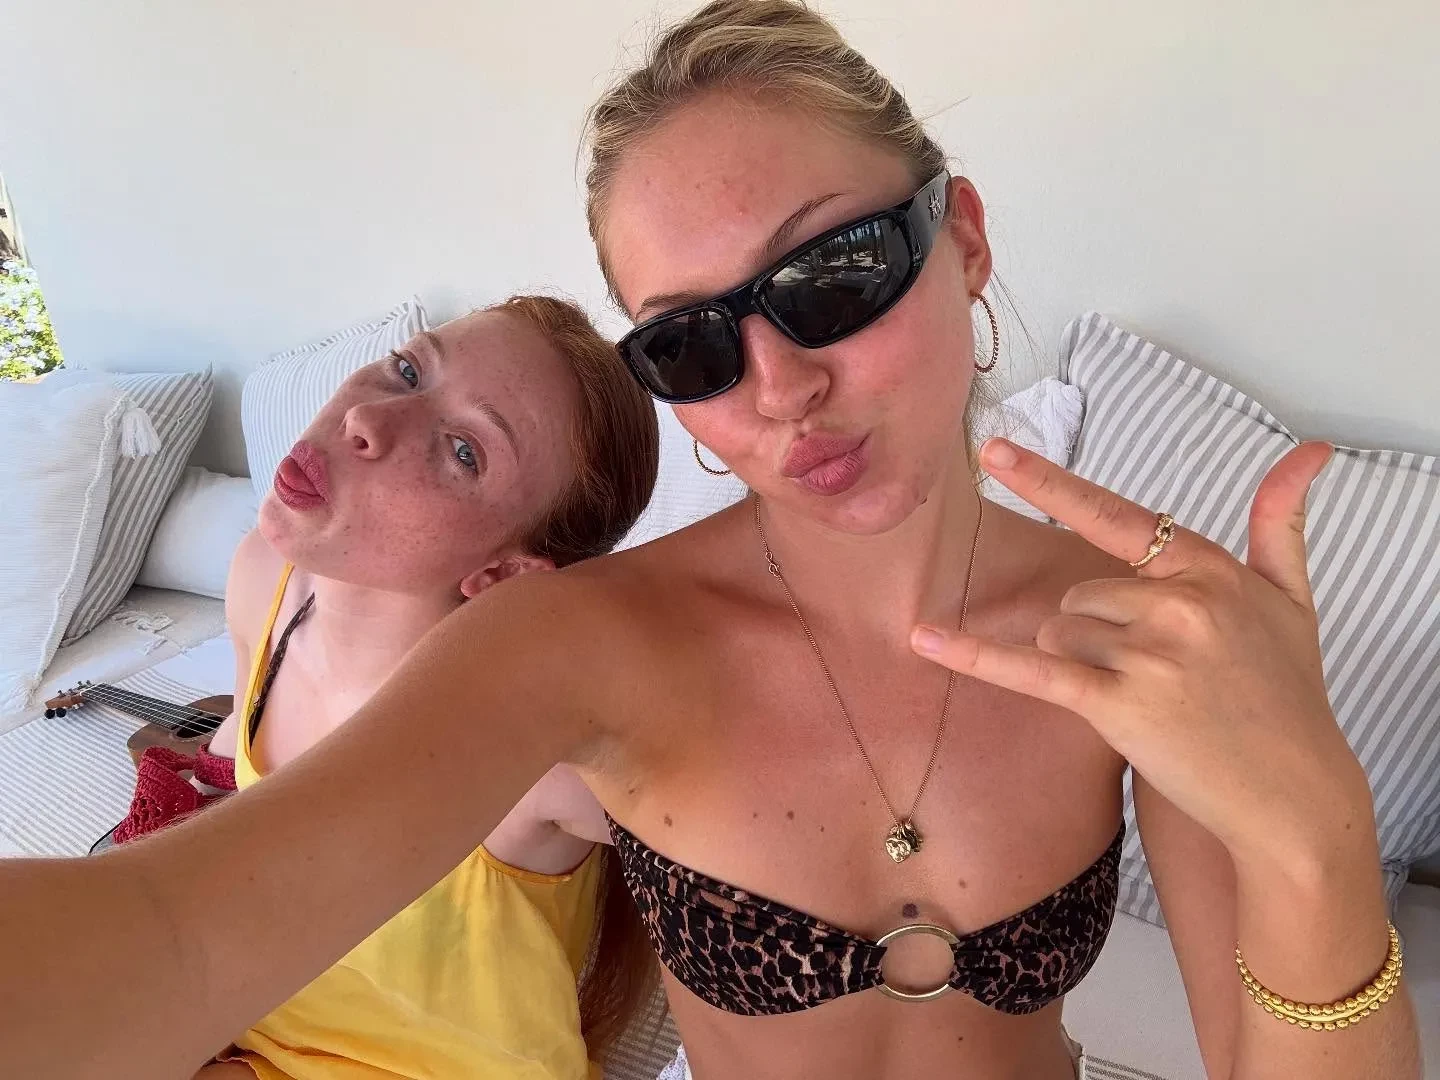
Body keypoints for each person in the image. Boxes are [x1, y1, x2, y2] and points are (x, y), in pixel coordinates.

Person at [0, 4, 1419, 1079]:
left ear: (966, 240)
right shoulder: (578, 643)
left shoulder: (1138, 637)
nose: (781, 386)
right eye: (691, 343)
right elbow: (178, 933)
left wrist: (1319, 829)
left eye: (833, 275)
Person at [124, 295, 660, 1080]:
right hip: (259, 1030)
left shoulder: (540, 752)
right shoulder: (262, 580)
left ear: (505, 572)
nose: (366, 418)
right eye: (408, 370)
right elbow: (240, 779)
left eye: (463, 451)